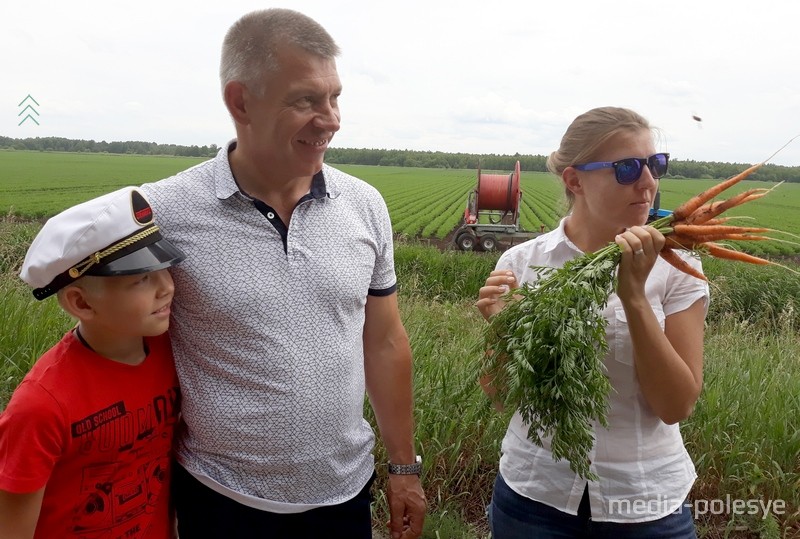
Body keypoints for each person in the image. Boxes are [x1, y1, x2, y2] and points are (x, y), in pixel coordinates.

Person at [138, 8, 425, 539]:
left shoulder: (363, 205)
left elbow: (384, 342)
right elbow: (118, 346)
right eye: (306, 100)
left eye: (335, 97)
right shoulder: (165, 211)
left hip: (344, 497)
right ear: (240, 101)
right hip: (220, 499)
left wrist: (403, 468)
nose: (331, 118)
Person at [476, 107, 709, 538]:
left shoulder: (679, 267)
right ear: (574, 180)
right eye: (626, 168)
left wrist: (634, 297)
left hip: (644, 503)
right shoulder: (524, 262)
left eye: (654, 164)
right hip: (535, 496)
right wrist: (503, 329)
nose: (648, 182)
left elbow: (675, 406)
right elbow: (502, 395)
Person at [0, 186, 185, 539]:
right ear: (81, 304)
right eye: (142, 278)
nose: (167, 287)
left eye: (165, 268)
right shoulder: (40, 407)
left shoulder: (171, 352)